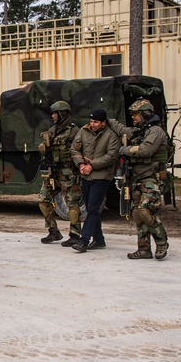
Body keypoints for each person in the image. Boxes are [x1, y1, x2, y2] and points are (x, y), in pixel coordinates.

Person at [111, 99, 170, 260]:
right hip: (135, 179)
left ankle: (161, 242)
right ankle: (144, 249)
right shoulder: (140, 131)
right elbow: (123, 130)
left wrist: (125, 150)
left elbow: (145, 150)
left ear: (145, 114)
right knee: (137, 214)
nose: (133, 117)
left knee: (145, 211)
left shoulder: (156, 131)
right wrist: (108, 120)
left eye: (136, 114)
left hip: (151, 178)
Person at [69, 107, 121, 253]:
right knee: (91, 208)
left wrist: (92, 165)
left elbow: (111, 156)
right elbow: (74, 149)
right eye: (91, 121)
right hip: (85, 175)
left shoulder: (111, 136)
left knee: (92, 208)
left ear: (103, 123)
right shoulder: (83, 131)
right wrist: (80, 164)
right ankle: (99, 239)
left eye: (96, 122)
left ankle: (84, 240)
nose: (92, 124)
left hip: (102, 177)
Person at [37, 100, 82, 247]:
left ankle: (75, 234)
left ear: (62, 114)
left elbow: (81, 150)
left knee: (72, 203)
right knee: (43, 199)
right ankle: (53, 231)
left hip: (68, 172)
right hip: (53, 172)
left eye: (55, 113)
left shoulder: (75, 132)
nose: (52, 116)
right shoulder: (51, 131)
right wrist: (43, 147)